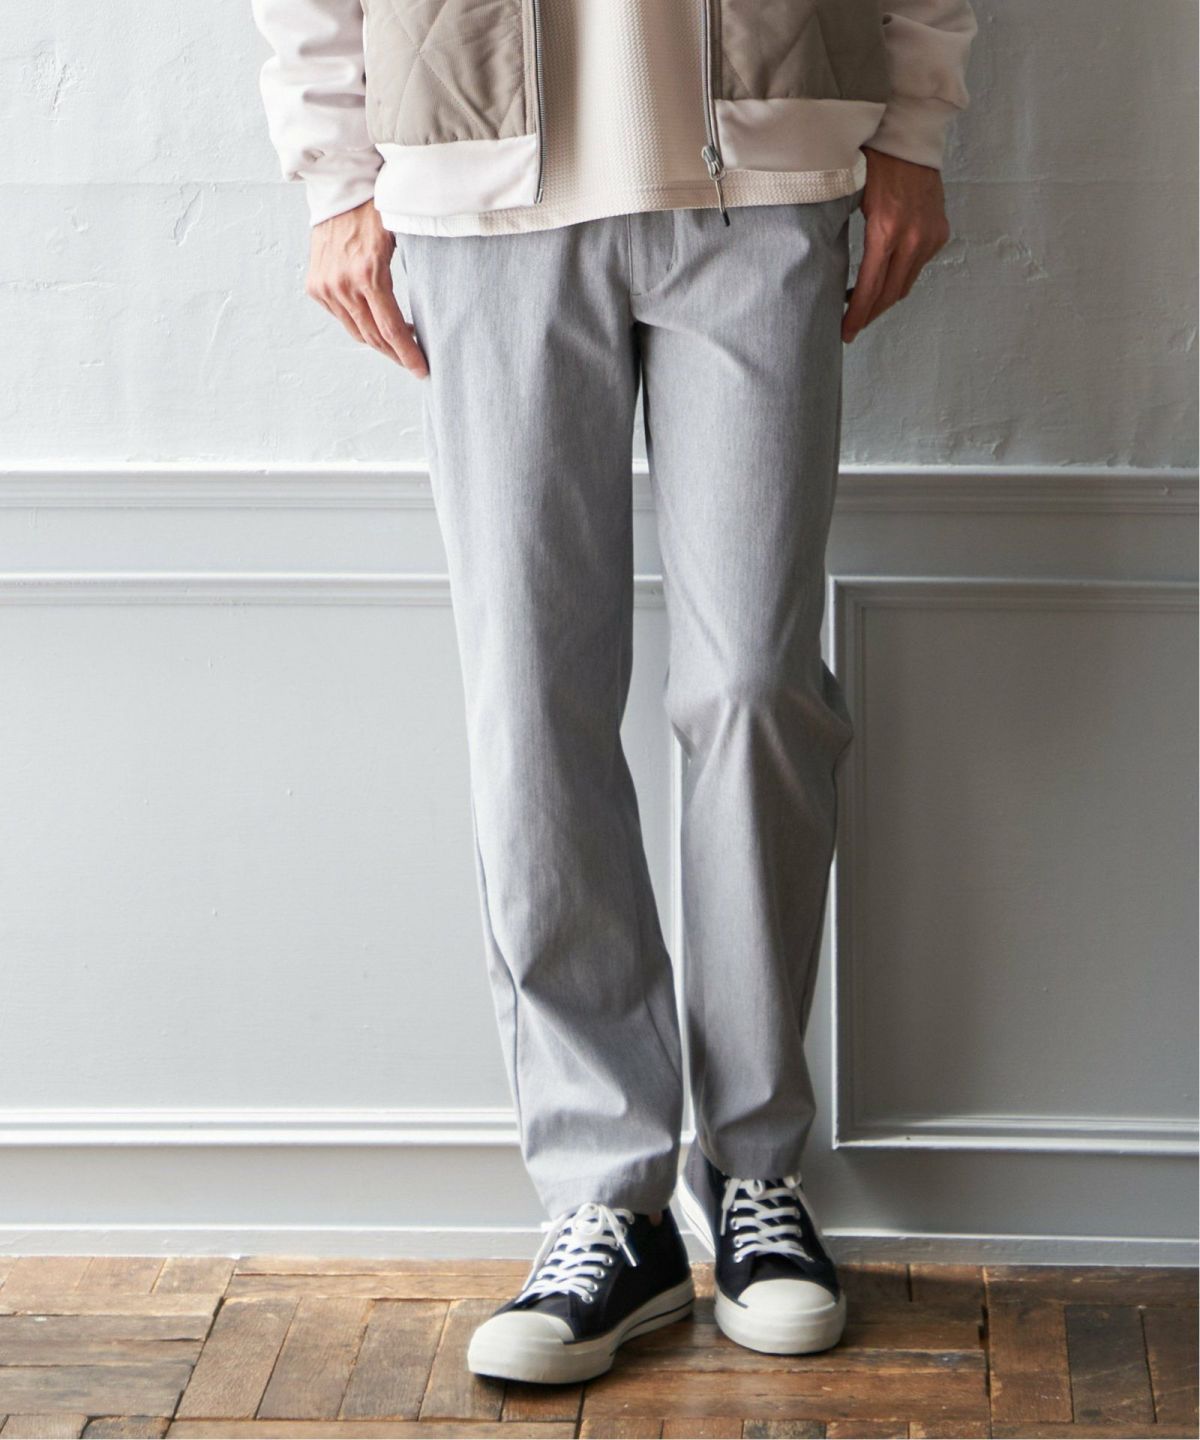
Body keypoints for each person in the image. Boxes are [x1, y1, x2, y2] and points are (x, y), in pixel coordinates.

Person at [250, 0, 977, 1386]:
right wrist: (335, 174)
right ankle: (607, 1197)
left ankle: (756, 1171)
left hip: (766, 171)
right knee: (532, 702)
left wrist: (916, 132)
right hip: (479, 193)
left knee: (757, 690)